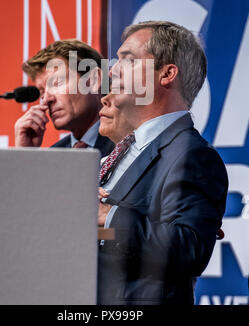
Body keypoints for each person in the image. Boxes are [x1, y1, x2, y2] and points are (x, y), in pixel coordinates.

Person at [97, 20, 228, 305]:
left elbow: (189, 247)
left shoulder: (192, 155)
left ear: (167, 74)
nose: (113, 70)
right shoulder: (121, 151)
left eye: (127, 60)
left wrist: (107, 215)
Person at [15, 39, 114, 158]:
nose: (46, 99)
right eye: (42, 93)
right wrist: (25, 156)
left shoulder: (127, 142)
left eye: (57, 83)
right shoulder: (52, 157)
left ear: (93, 80)